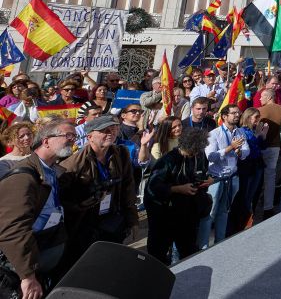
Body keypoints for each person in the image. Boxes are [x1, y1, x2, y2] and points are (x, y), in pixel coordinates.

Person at [0, 118, 77, 299]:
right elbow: (13, 229)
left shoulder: (51, 168)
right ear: (46, 141)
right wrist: (27, 276)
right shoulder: (23, 176)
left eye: (74, 136)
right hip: (25, 269)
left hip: (48, 253)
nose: (72, 140)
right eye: (67, 135)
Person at [59, 115, 138, 268]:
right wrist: (80, 205)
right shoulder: (73, 163)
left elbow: (128, 189)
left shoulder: (121, 154)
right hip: (84, 227)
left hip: (112, 221)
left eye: (113, 129)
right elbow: (60, 198)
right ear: (89, 136)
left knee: (111, 265)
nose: (111, 133)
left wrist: (133, 220)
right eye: (104, 130)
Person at [144, 127, 211, 266]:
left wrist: (206, 181)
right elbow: (153, 188)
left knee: (188, 249)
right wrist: (178, 189)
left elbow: (202, 173)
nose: (197, 153)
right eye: (196, 150)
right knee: (158, 253)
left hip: (187, 214)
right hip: (165, 215)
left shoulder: (196, 156)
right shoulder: (168, 160)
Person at [198, 105, 248, 249]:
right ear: (224, 116)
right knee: (210, 214)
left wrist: (239, 152)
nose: (237, 115)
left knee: (224, 211)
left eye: (238, 113)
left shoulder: (240, 132)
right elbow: (211, 156)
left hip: (232, 177)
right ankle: (203, 246)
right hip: (216, 179)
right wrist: (230, 148)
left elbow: (246, 152)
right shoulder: (214, 134)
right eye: (233, 113)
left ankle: (220, 243)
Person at [229, 107, 265, 235]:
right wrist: (259, 135)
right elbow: (249, 148)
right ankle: (242, 223)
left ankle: (247, 219)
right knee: (245, 195)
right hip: (247, 167)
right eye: (256, 117)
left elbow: (259, 146)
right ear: (249, 118)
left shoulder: (252, 130)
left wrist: (261, 136)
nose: (258, 120)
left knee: (252, 194)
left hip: (257, 165)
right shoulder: (242, 131)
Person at [256, 88, 281, 217]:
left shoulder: (260, 111)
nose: (259, 99)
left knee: (258, 178)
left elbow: (257, 132)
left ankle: (255, 205)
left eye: (262, 96)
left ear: (269, 97)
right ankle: (268, 207)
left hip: (261, 147)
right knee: (270, 177)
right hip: (276, 147)